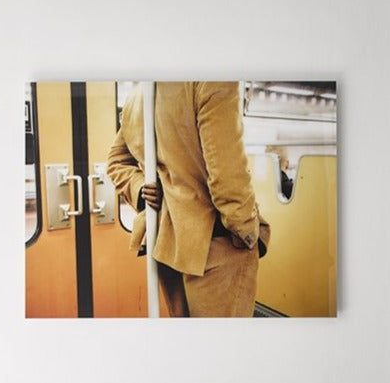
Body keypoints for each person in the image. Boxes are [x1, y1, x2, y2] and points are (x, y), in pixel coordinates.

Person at [106, 81, 270, 318]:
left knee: (188, 345)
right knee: (220, 350)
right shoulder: (211, 81)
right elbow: (227, 176)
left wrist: (141, 187)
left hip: (167, 243)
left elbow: (116, 161)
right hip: (218, 245)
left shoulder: (140, 94)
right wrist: (248, 231)